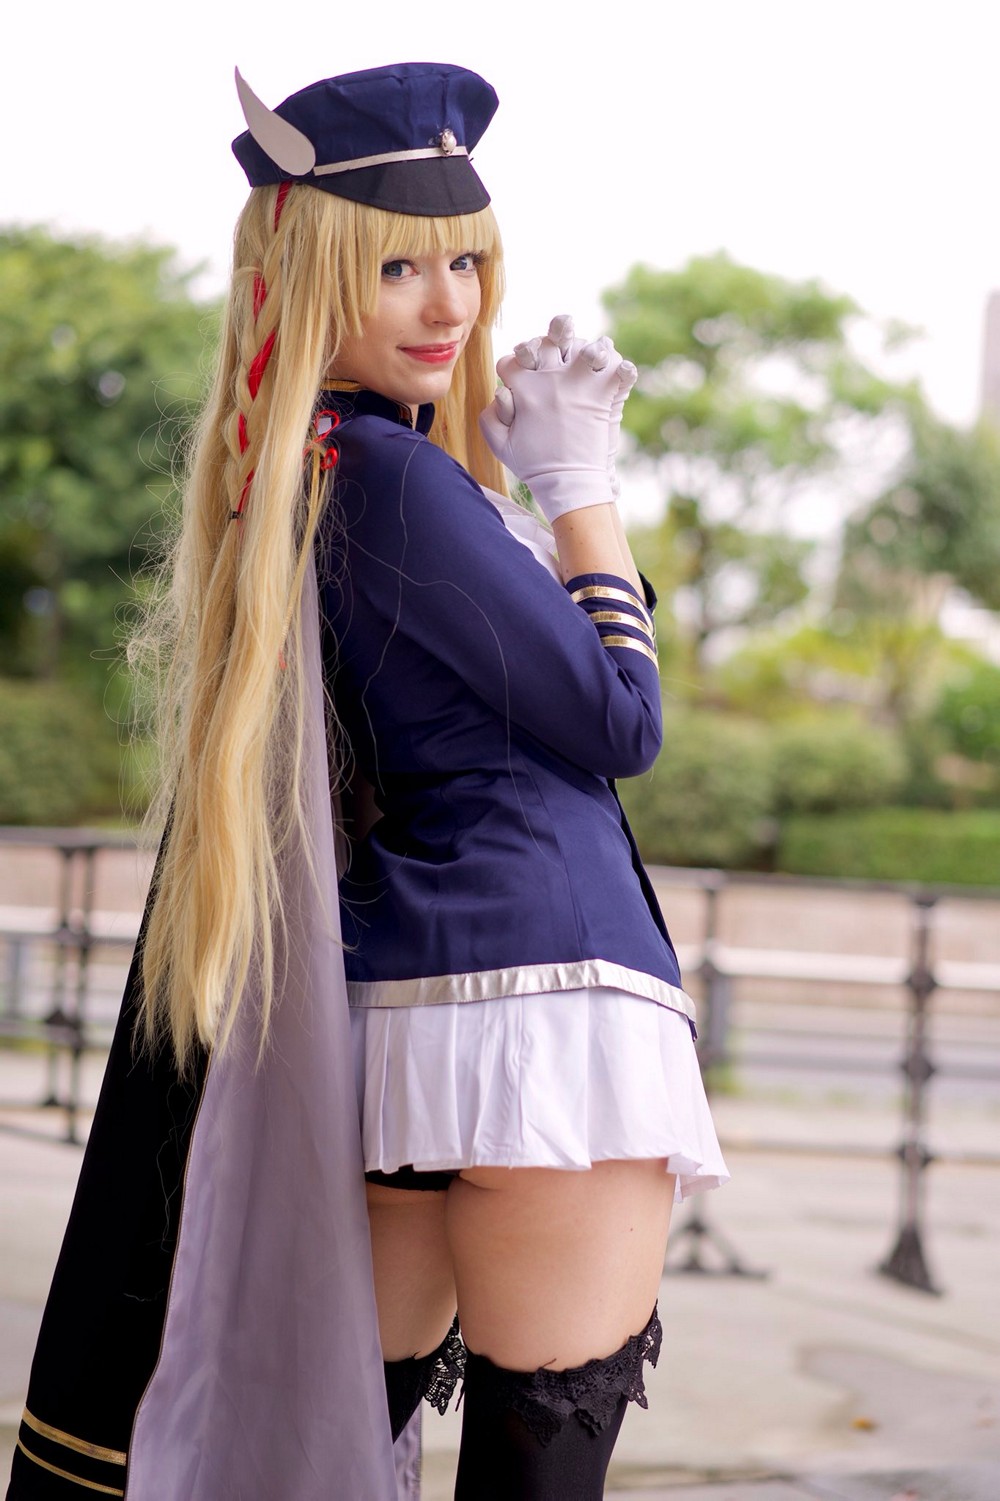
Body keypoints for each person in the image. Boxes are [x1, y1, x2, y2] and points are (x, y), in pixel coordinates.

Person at [7, 63, 729, 1501]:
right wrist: (583, 491)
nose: (445, 303)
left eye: (464, 261)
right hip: (554, 1005)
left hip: (406, 1018)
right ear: (308, 276)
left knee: (340, 1461)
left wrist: (519, 505)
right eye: (396, 266)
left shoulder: (314, 472)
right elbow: (620, 717)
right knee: (538, 1474)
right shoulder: (394, 477)